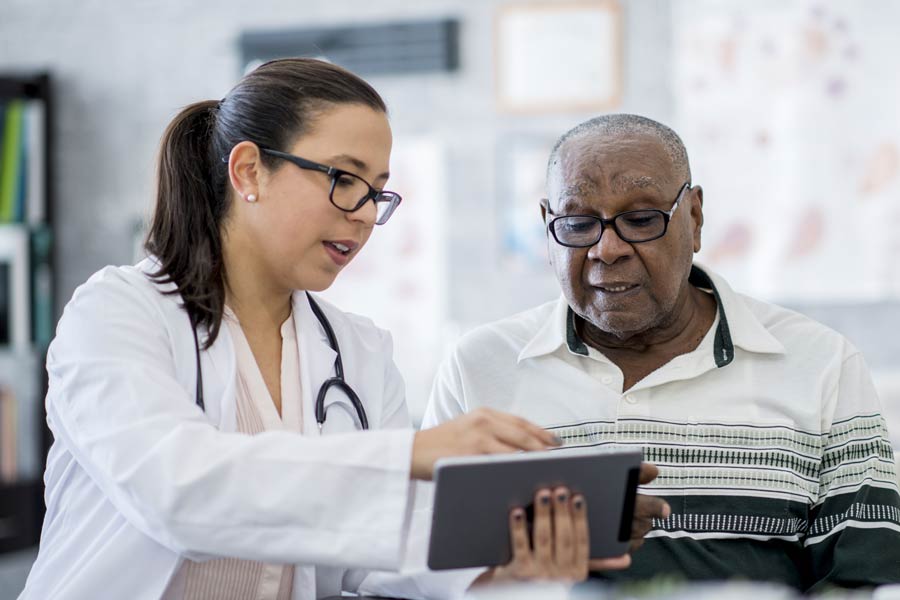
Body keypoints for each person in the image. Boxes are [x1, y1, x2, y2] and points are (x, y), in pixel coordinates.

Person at [18, 59, 640, 600]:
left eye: (378, 192)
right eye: (345, 180)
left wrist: (505, 558)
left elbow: (382, 545)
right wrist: (410, 455)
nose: (366, 214)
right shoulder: (117, 313)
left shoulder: (359, 351)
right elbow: (176, 491)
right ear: (249, 172)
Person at [423, 113, 900, 593]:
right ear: (548, 228)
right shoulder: (479, 368)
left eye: (641, 219)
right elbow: (422, 570)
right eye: (578, 223)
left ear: (694, 218)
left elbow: (865, 581)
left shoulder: (819, 364)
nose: (607, 249)